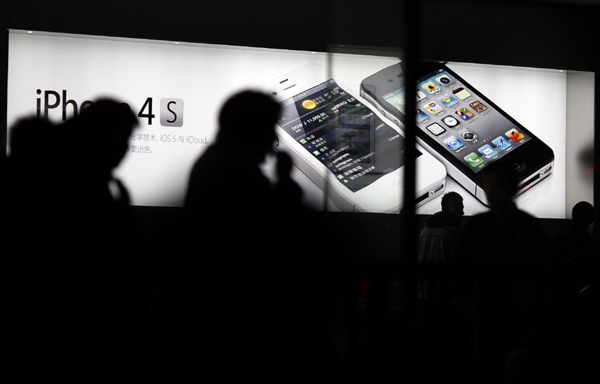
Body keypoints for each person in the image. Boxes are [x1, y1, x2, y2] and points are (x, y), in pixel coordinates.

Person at [459, 162, 551, 384]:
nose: (489, 191)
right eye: (487, 185)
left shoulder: (479, 226)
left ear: (511, 188)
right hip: (494, 311)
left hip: (507, 312)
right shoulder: (528, 226)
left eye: (496, 185)